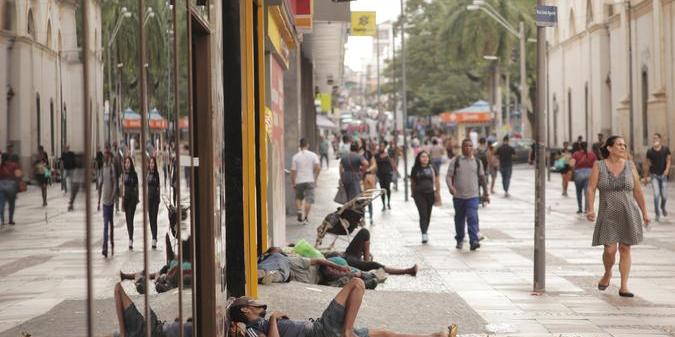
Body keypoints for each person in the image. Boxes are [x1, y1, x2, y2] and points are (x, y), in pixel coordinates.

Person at [229, 283, 458, 337]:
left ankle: (434, 336)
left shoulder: (258, 322)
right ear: (246, 310)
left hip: (324, 329)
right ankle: (347, 331)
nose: (258, 303)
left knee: (384, 333)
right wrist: (274, 319)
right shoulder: (254, 327)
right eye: (253, 302)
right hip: (321, 330)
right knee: (356, 283)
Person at [587, 136, 650, 298]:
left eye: (624, 145)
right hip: (608, 213)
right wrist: (590, 209)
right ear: (609, 148)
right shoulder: (599, 166)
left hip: (628, 212)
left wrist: (645, 212)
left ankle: (624, 286)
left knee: (625, 248)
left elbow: (637, 191)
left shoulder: (630, 165)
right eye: (619, 145)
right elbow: (591, 189)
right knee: (610, 250)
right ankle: (608, 273)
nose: (623, 147)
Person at [447, 139, 489, 251]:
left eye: (470, 146)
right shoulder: (456, 160)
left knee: (472, 217)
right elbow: (449, 176)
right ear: (462, 147)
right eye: (465, 146)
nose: (468, 148)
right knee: (459, 219)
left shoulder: (477, 162)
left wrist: (486, 193)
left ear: (473, 148)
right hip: (458, 197)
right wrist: (451, 187)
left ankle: (473, 241)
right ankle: (460, 238)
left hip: (473, 196)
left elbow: (482, 178)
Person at [113, 282, 193, 337]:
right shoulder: (137, 329)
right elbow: (118, 288)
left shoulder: (136, 328)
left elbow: (118, 287)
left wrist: (123, 333)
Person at [326, 228, 417, 276]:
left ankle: (366, 262)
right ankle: (407, 271)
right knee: (375, 265)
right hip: (347, 262)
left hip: (346, 255)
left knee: (364, 232)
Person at [410, 151, 440, 244]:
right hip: (419, 194)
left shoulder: (432, 168)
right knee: (423, 214)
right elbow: (412, 182)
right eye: (423, 157)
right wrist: (413, 193)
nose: (425, 158)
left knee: (428, 214)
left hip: (430, 193)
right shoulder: (415, 169)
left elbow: (437, 181)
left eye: (426, 157)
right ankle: (424, 233)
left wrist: (438, 193)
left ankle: (425, 230)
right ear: (419, 158)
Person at [291, 138, 321, 225]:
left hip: (299, 180)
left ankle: (300, 210)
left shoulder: (295, 156)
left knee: (298, 197)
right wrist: (315, 177)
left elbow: (293, 171)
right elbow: (318, 167)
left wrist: (293, 182)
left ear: (299, 146)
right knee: (309, 200)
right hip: (310, 180)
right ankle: (306, 218)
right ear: (307, 145)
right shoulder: (313, 155)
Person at [643, 133, 671, 222]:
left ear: (660, 139)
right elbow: (647, 164)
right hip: (654, 175)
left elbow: (669, 160)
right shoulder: (650, 151)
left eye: (656, 138)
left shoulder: (666, 149)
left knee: (664, 196)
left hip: (663, 176)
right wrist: (646, 177)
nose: (655, 140)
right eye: (653, 138)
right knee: (656, 195)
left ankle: (663, 207)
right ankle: (657, 213)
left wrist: (667, 170)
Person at [570, 141, 597, 214]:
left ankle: (580, 209)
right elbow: (596, 166)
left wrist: (573, 171)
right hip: (589, 174)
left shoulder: (575, 154)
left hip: (578, 174)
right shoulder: (592, 154)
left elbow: (572, 164)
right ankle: (586, 209)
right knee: (587, 192)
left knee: (578, 192)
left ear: (580, 146)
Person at [101, 150, 117, 258]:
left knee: (110, 224)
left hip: (110, 202)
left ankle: (111, 241)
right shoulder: (103, 168)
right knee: (106, 225)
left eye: (107, 155)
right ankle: (105, 247)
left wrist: (112, 197)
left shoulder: (111, 168)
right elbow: (101, 182)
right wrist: (99, 200)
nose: (105, 157)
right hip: (104, 202)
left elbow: (115, 184)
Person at [122, 156, 139, 250]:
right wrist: (122, 201)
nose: (127, 164)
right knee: (127, 220)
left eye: (128, 162)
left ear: (131, 163)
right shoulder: (123, 174)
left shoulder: (134, 174)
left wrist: (137, 198)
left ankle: (130, 239)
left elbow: (137, 187)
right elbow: (122, 188)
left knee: (130, 218)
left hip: (132, 199)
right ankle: (130, 237)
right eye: (126, 163)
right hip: (126, 200)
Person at [0, 153, 20, 226]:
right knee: (11, 204)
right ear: (9, 158)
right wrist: (17, 185)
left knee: (1, 204)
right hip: (11, 187)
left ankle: (2, 220)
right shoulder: (14, 165)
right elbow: (18, 175)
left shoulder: (1, 166)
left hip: (1, 186)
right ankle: (10, 219)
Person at [361, 140, 378, 224]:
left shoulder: (368, 153)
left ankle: (370, 217)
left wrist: (368, 170)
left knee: (368, 200)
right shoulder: (354, 153)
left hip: (367, 179)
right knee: (359, 200)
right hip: (357, 179)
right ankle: (361, 217)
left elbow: (374, 164)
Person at [148, 156, 161, 249]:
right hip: (149, 199)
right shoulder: (148, 174)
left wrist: (158, 198)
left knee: (154, 218)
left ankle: (154, 238)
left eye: (153, 163)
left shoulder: (157, 175)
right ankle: (154, 236)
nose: (151, 164)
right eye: (150, 163)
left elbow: (158, 187)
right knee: (150, 219)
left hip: (155, 200)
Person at [375, 143, 394, 211]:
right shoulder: (377, 155)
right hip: (380, 174)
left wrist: (392, 171)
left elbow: (391, 162)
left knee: (388, 188)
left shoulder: (388, 154)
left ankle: (388, 202)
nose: (381, 147)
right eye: (380, 146)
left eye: (383, 146)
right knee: (382, 189)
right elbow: (376, 163)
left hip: (387, 174)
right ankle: (383, 204)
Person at [112, 143, 124, 212]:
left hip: (115, 175)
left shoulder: (116, 155)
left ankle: (117, 206)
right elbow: (120, 166)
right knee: (117, 191)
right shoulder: (118, 155)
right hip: (116, 175)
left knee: (117, 191)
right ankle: (117, 206)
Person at [96, 146, 104, 211]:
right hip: (99, 168)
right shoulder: (98, 153)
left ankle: (99, 203)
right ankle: (99, 203)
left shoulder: (101, 153)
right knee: (100, 185)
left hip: (101, 168)